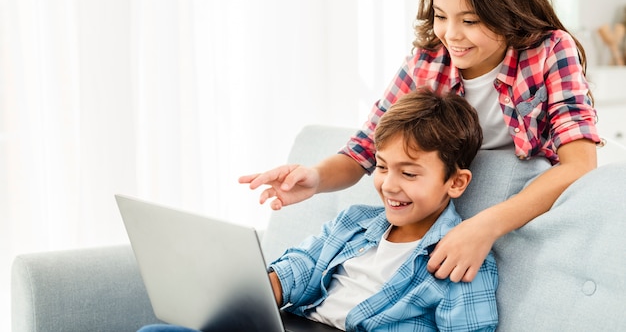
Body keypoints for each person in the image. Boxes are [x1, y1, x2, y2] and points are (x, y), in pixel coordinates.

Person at [239, 0, 601, 284]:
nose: (451, 35)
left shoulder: (551, 50)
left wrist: (485, 225)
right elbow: (365, 148)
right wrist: (315, 178)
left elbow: (580, 164)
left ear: (509, 10)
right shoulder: (428, 61)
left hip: (516, 214)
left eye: (470, 20)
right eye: (441, 16)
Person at [138, 88, 498, 331]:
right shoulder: (356, 222)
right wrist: (261, 290)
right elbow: (303, 265)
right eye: (383, 167)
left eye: (409, 173)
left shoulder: (461, 258)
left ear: (456, 182)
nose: (389, 185)